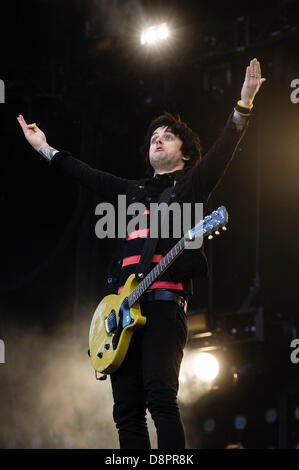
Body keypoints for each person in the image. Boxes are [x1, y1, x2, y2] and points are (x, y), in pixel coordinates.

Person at [17, 59, 265, 449]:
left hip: (164, 306)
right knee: (125, 412)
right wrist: (44, 149)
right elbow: (86, 174)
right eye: (154, 136)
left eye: (168, 136)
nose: (158, 139)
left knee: (160, 399)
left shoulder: (192, 184)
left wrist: (244, 104)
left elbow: (223, 151)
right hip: (121, 312)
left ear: (185, 154)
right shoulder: (132, 192)